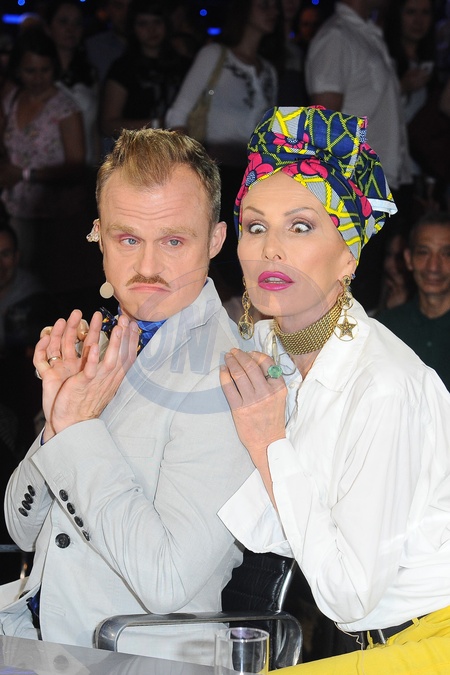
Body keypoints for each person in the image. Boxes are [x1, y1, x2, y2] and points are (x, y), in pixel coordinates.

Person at [0, 126, 254, 665]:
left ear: (215, 240)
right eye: (128, 239)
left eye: (174, 241)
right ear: (98, 234)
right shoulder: (105, 341)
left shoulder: (227, 375)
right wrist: (57, 420)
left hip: (135, 658)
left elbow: (166, 581)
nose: (147, 268)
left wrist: (76, 429)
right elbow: (20, 528)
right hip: (36, 635)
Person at [218, 106, 450, 673]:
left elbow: (349, 595)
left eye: (300, 227)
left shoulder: (384, 386)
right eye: (255, 226)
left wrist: (269, 444)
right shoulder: (268, 347)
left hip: (427, 642)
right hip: (363, 639)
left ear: (349, 255)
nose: (271, 248)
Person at [166, 0, 281, 298]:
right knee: (219, 259)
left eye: (275, 6)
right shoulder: (215, 54)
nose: (273, 11)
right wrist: (189, 171)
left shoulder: (269, 69)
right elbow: (178, 115)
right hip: (216, 171)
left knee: (252, 257)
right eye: (264, 5)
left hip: (255, 178)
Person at [0, 27, 85, 280]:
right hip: (17, 208)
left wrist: (26, 174)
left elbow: (76, 166)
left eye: (44, 70)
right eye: (30, 71)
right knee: (17, 278)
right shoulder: (12, 98)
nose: (38, 78)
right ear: (18, 70)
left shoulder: (65, 108)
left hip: (56, 213)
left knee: (52, 279)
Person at [377, 212, 450, 390]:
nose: (433, 267)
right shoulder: (387, 328)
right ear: (408, 259)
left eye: (446, 254)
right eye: (424, 253)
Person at [100, 0, 190, 138]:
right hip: (139, 146)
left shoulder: (183, 65)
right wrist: (157, 124)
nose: (151, 30)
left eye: (157, 22)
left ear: (166, 24)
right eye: (143, 24)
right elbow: (108, 125)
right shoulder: (123, 68)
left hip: (179, 145)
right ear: (133, 28)